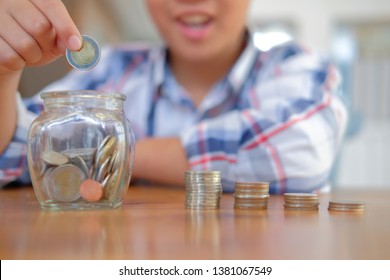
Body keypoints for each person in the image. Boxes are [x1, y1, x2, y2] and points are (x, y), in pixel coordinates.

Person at [0, 0, 347, 193]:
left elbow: (301, 150)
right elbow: (19, 149)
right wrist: (5, 74)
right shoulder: (108, 69)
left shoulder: (297, 66)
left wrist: (114, 159)